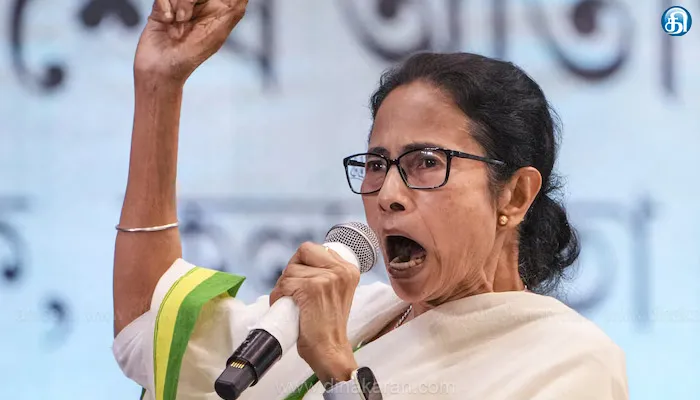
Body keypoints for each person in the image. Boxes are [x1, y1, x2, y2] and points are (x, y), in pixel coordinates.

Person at [112, 0, 628, 399]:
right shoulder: (351, 316)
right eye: (377, 165)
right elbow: (150, 328)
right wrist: (160, 84)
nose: (388, 195)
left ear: (514, 196)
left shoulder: (568, 361)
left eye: (427, 162)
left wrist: (339, 371)